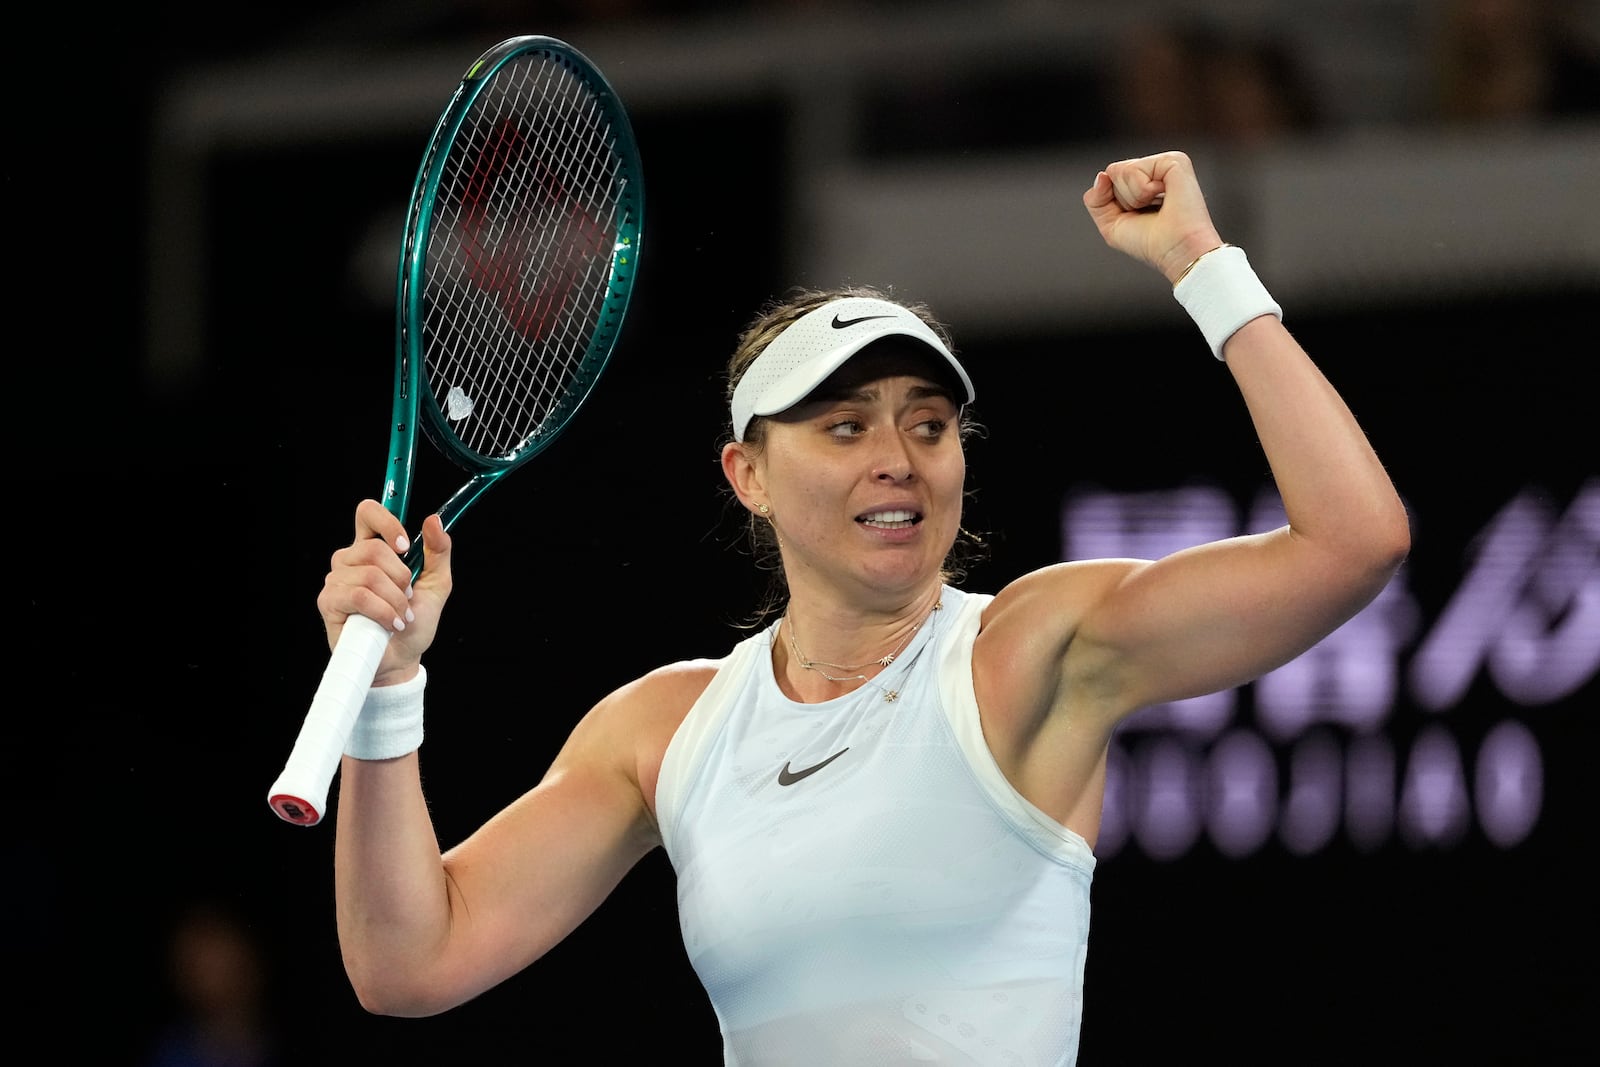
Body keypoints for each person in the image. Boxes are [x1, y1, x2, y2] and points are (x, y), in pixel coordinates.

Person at [316, 150, 1410, 1064]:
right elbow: (410, 963)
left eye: (928, 425)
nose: (897, 460)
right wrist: (388, 690)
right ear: (747, 473)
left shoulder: (1031, 652)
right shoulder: (661, 730)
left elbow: (1352, 543)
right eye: (844, 427)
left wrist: (1201, 267)